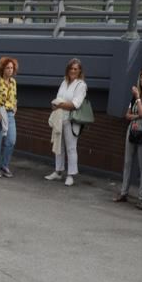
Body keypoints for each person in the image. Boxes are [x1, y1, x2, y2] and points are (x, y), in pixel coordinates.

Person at [115, 67, 142, 204]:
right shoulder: (136, 93)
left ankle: (141, 196)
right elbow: (127, 114)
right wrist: (138, 113)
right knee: (127, 162)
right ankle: (123, 192)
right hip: (131, 129)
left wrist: (138, 98)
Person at [45, 56, 87, 187]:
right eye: (71, 68)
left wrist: (59, 105)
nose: (73, 71)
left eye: (76, 69)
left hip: (71, 120)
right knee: (59, 146)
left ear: (80, 71)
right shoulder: (64, 82)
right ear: (67, 70)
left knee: (71, 147)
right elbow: (58, 99)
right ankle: (58, 172)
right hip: (60, 119)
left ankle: (70, 175)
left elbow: (76, 104)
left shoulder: (81, 85)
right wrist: (55, 105)